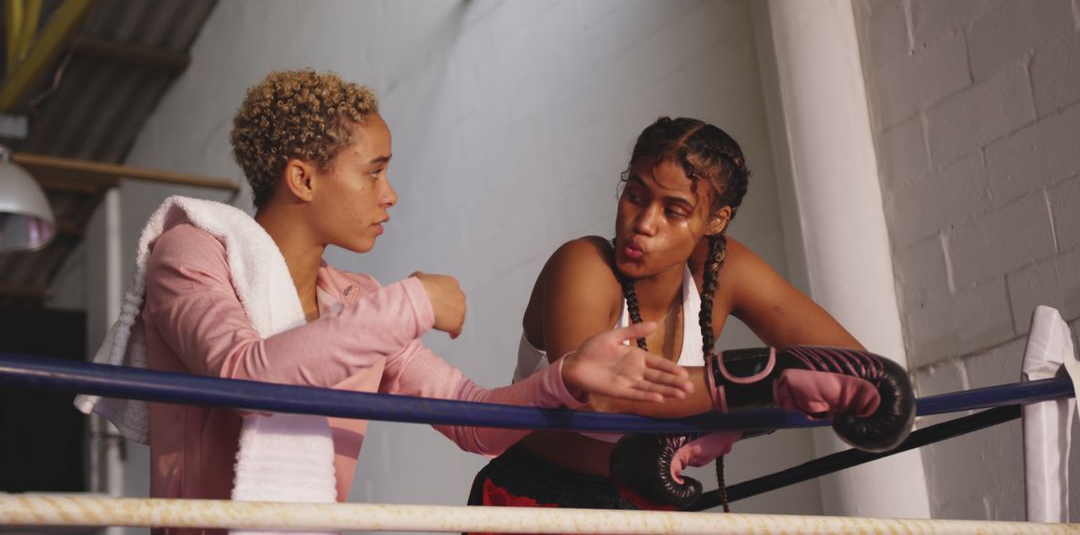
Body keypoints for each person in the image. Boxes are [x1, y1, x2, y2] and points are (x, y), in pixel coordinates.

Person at [77, 70, 694, 533]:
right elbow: (245, 374)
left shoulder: (356, 299)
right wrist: (415, 302)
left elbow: (472, 417)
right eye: (374, 172)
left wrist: (564, 378)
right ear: (304, 178)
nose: (390, 194)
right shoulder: (191, 250)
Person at [467, 116, 911, 517]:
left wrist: (726, 424)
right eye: (634, 195)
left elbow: (854, 370)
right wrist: (761, 386)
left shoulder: (722, 269)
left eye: (673, 210)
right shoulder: (583, 264)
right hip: (534, 501)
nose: (643, 222)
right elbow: (595, 393)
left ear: (716, 220)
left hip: (647, 509)